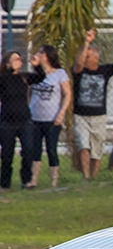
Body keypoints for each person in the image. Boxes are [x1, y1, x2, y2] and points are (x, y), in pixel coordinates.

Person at [71, 26, 113, 180]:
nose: (84, 58)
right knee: (83, 146)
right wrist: (86, 42)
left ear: (95, 58)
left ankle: (94, 177)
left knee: (97, 150)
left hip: (99, 117)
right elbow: (78, 63)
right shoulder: (79, 71)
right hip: (81, 116)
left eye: (87, 56)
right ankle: (86, 177)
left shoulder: (105, 70)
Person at [24, 44, 70, 188]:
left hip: (52, 118)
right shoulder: (35, 74)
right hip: (35, 117)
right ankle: (34, 180)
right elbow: (29, 93)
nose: (38, 55)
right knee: (35, 150)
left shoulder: (59, 73)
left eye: (41, 53)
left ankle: (54, 182)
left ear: (48, 56)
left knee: (51, 148)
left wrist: (61, 113)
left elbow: (67, 94)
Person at [0, 50, 40, 188]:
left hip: (24, 120)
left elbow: (40, 78)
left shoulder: (24, 77)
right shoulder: (3, 78)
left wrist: (37, 66)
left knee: (28, 150)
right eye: (15, 59)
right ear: (7, 63)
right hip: (7, 121)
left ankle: (26, 180)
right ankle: (5, 183)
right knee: (7, 154)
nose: (19, 61)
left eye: (20, 59)